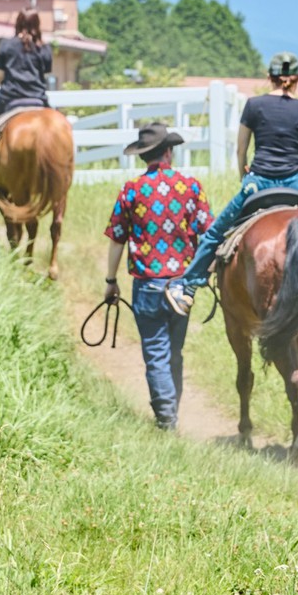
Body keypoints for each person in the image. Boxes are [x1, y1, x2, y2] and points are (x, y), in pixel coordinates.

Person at [166, 51, 298, 315]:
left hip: (258, 183)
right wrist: (290, 174)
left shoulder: (254, 105)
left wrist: (244, 176)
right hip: (294, 184)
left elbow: (241, 150)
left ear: (268, 77)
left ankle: (187, 287)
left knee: (215, 233)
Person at [103, 122, 214, 430]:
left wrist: (111, 281)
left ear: (145, 157)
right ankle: (172, 411)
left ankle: (166, 420)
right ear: (169, 152)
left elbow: (116, 238)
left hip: (148, 287)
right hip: (182, 287)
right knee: (174, 351)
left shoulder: (131, 190)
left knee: (156, 352)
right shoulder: (191, 187)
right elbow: (208, 234)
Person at [0, 10, 52, 134]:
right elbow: (45, 77)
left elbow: (0, 75)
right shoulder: (44, 48)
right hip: (38, 99)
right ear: (37, 24)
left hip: (10, 98)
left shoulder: (6, 45)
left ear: (18, 23)